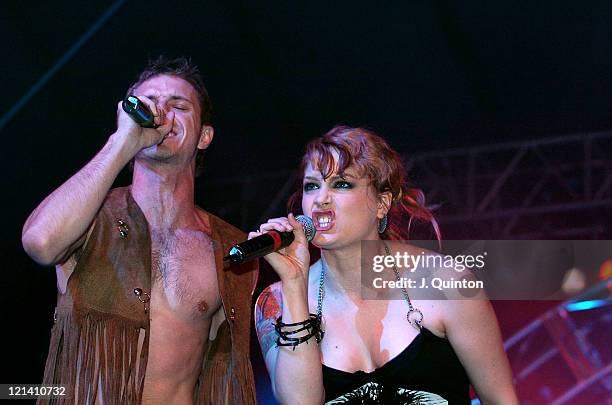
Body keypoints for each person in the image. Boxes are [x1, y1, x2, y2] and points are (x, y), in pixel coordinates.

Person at [22, 56, 258, 405]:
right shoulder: (88, 217)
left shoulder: (228, 246)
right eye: (149, 103)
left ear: (204, 136)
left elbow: (221, 371)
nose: (160, 113)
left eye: (178, 105)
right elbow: (40, 244)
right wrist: (123, 140)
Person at [253, 126, 518, 404]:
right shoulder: (277, 302)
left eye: (341, 184)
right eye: (312, 186)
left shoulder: (446, 280)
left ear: (381, 203)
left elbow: (501, 400)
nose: (321, 198)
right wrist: (295, 284)